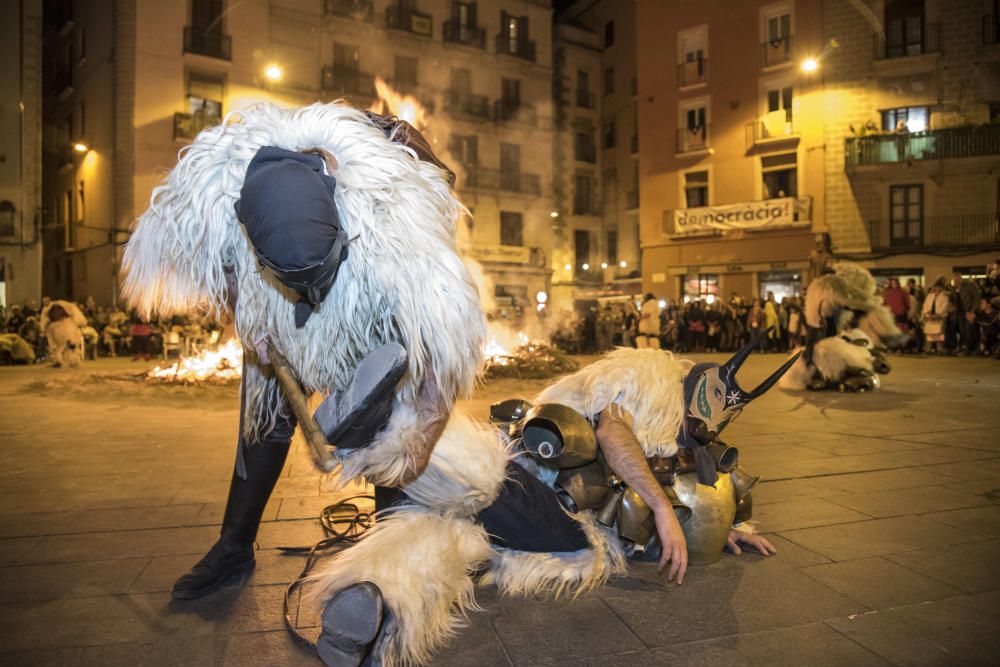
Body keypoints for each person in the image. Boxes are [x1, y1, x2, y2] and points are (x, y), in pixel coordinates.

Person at [121, 103, 486, 608]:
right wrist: (249, 321)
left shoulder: (404, 240)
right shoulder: (224, 199)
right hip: (271, 303)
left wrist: (415, 444)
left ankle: (388, 566)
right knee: (261, 424)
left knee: (389, 423)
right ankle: (233, 549)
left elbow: (445, 358)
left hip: (369, 302)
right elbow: (224, 276)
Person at [308, 342, 791, 666]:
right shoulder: (654, 379)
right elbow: (612, 432)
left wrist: (718, 525)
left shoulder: (686, 441)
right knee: (484, 482)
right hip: (539, 484)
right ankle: (381, 425)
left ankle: (376, 610)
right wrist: (662, 510)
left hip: (566, 533)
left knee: (458, 540)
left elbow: (689, 494)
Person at [952, 272, 981, 355]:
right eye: (954, 280)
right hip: (960, 312)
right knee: (963, 330)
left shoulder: (970, 284)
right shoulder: (955, 288)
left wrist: (973, 310)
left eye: (957, 279)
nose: (956, 282)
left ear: (961, 278)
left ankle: (975, 348)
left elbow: (977, 296)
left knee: (971, 330)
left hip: (969, 310)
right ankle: (967, 348)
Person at [922, 277, 951, 355]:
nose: (937, 288)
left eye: (939, 287)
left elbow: (945, 306)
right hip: (930, 316)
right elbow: (925, 305)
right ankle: (929, 349)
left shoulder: (944, 296)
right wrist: (927, 313)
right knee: (929, 333)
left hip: (940, 317)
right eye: (936, 287)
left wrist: (938, 314)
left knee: (939, 334)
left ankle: (939, 349)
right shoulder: (930, 296)